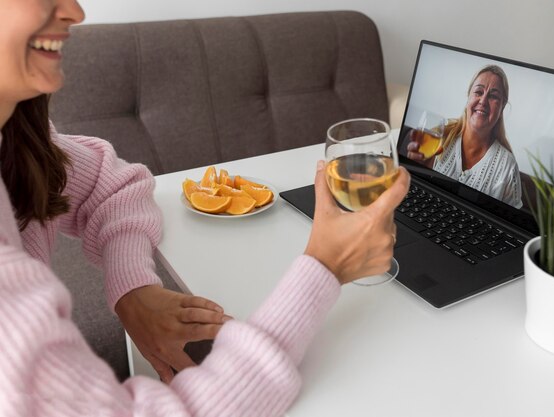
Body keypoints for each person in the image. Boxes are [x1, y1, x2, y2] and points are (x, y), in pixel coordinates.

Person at [0, 0, 409, 415]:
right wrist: (325, 268)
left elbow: (111, 182)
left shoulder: (15, 136)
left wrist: (132, 290)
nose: (74, 11)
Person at [405, 65, 523, 208]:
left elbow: (511, 222)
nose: (483, 101)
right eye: (478, 92)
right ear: (468, 97)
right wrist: (415, 170)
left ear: (502, 106)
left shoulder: (507, 166)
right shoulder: (439, 136)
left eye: (493, 96)